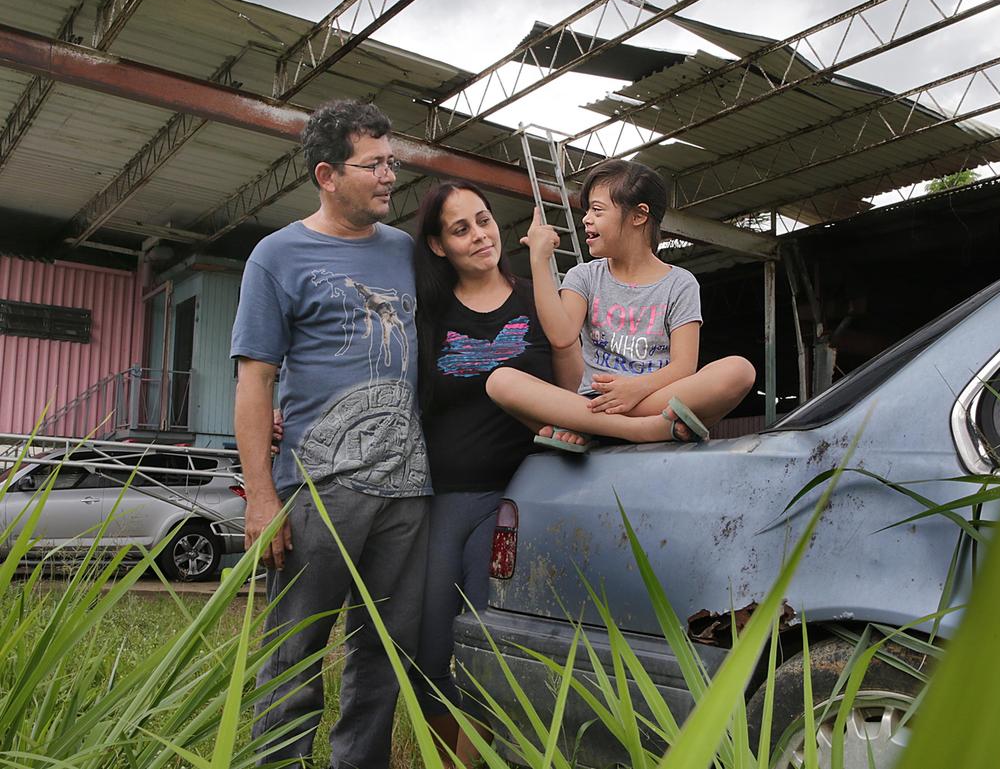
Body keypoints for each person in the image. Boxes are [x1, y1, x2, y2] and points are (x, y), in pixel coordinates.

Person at [231, 99, 429, 769]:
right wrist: (261, 495)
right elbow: (255, 381)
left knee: (382, 649)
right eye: (372, 164)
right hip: (317, 489)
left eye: (391, 161)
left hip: (406, 489)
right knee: (296, 648)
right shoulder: (277, 255)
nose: (388, 176)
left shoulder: (404, 251)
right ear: (327, 173)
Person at [409, 179, 581, 767]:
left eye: (484, 220)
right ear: (439, 246)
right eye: (461, 228)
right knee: (428, 651)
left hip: (514, 500)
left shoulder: (536, 298)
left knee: (484, 647)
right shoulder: (428, 311)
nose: (481, 235)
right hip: (439, 500)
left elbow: (573, 384)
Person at [485, 158, 756, 449]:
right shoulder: (585, 276)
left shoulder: (680, 283)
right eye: (587, 209)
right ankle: (637, 429)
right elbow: (562, 336)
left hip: (650, 397)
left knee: (739, 371)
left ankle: (589, 428)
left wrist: (636, 389)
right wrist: (538, 260)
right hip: (594, 401)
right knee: (499, 381)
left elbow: (684, 367)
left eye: (597, 210)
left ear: (639, 216)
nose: (586, 218)